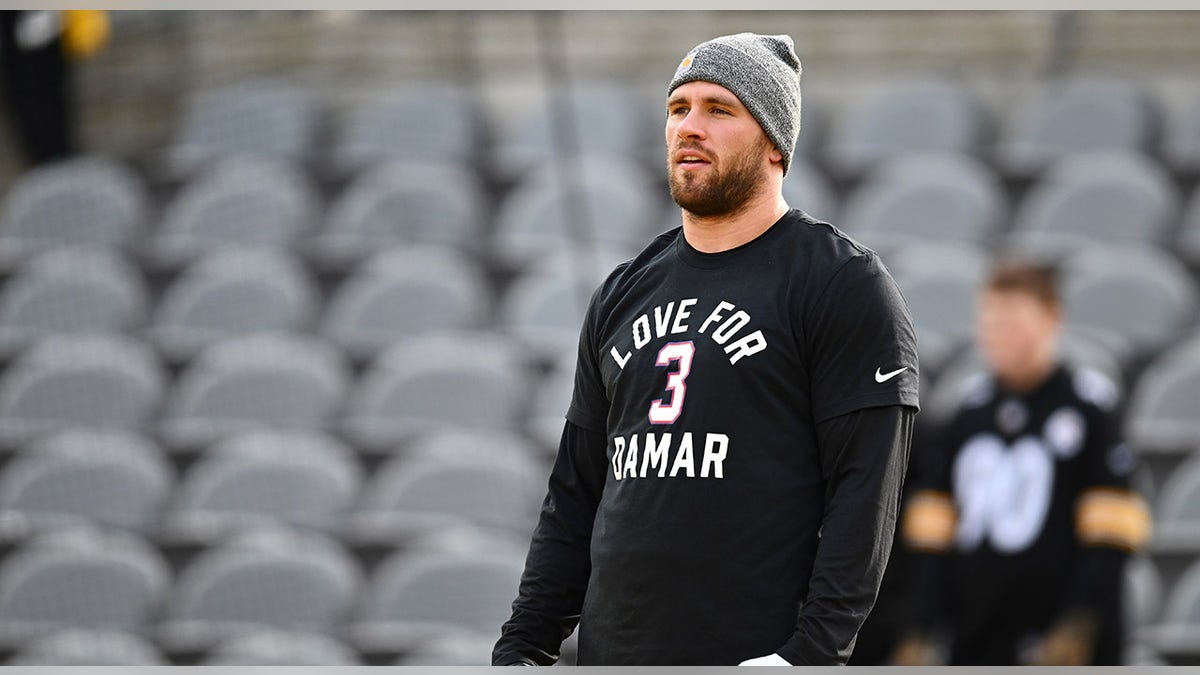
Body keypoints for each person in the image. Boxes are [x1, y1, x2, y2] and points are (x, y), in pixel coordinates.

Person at [492, 32, 920, 666]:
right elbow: (577, 492)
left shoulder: (841, 283)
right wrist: (525, 642)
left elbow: (866, 496)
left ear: (774, 143)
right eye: (678, 109)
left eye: (719, 110)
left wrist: (809, 655)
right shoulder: (623, 289)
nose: (689, 127)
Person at [893, 261, 1151, 666]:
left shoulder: (1089, 411)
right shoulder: (965, 416)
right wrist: (922, 627)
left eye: (1013, 321)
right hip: (976, 637)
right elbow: (931, 534)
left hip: (1060, 642)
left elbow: (1112, 536)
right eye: (991, 321)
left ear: (1052, 318)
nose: (998, 334)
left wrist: (1079, 623)